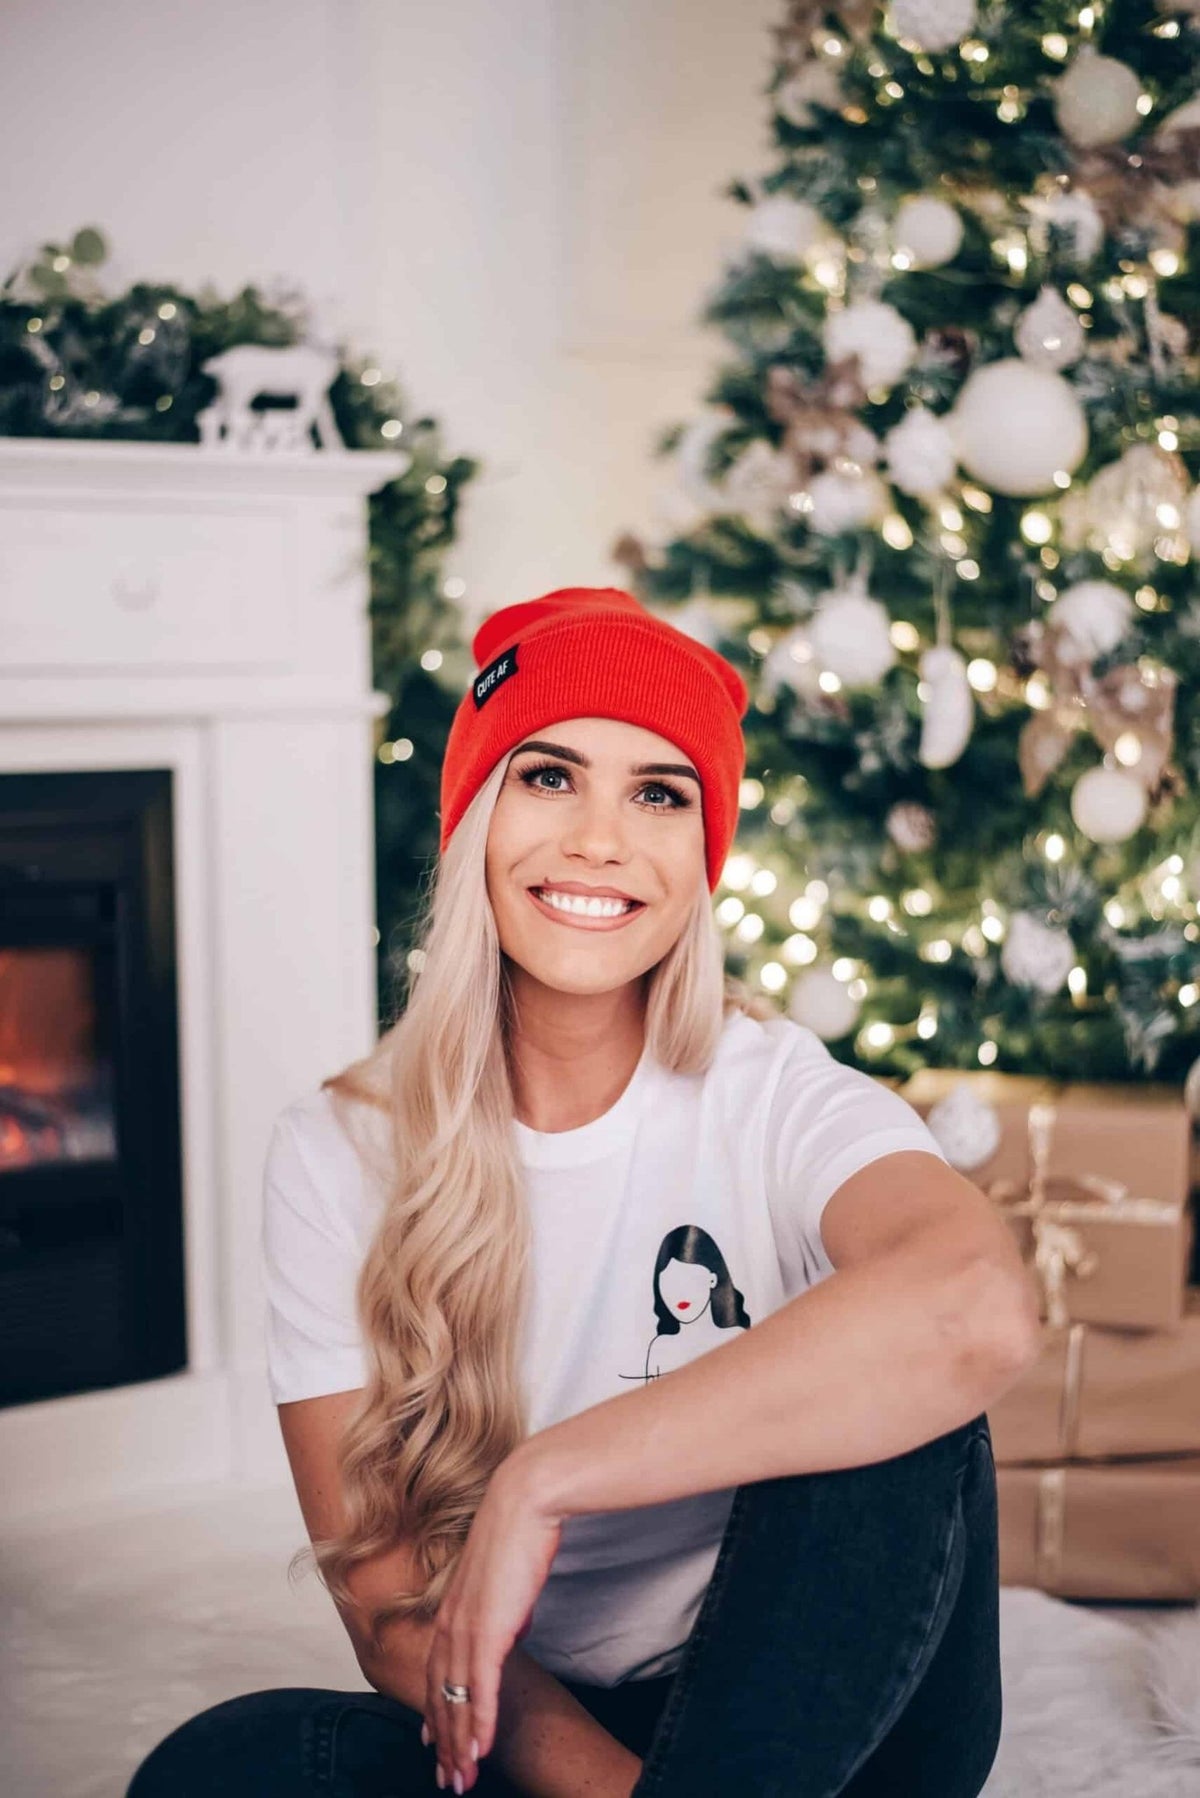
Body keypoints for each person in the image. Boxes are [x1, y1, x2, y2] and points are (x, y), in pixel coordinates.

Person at [127, 585, 1040, 1798]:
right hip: (563, 1723)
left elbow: (977, 1306)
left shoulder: (772, 1093)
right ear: (477, 817)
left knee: (886, 1381)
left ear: (700, 851)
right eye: (550, 776)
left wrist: (541, 1479)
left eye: (658, 793)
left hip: (840, 1706)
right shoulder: (338, 1150)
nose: (599, 839)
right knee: (221, 1768)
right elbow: (394, 1601)